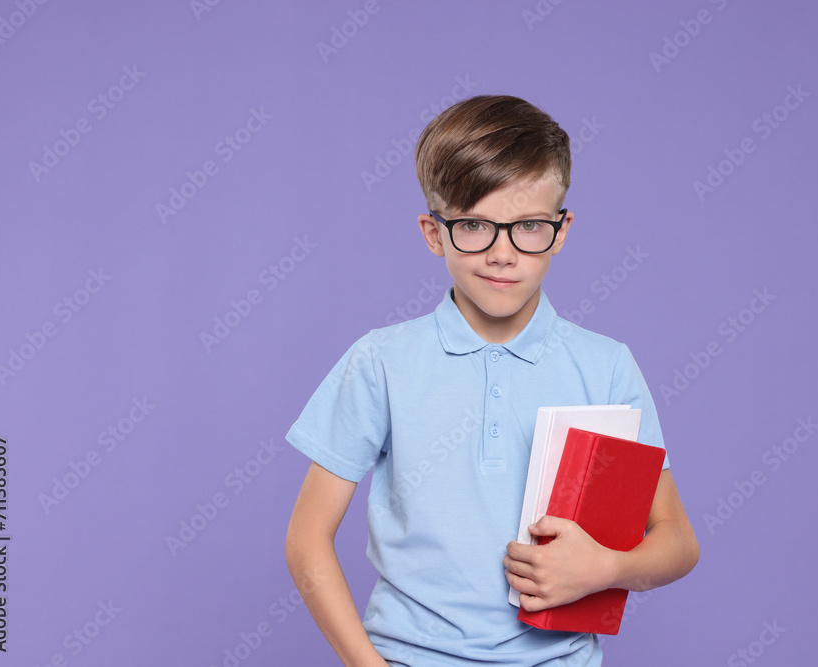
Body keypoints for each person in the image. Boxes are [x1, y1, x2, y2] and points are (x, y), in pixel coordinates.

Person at [284, 94, 699, 666]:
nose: (502, 254)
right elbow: (306, 541)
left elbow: (677, 542)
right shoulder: (381, 362)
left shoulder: (605, 368)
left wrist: (608, 567)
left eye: (528, 225)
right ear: (434, 233)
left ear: (560, 229)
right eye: (475, 225)